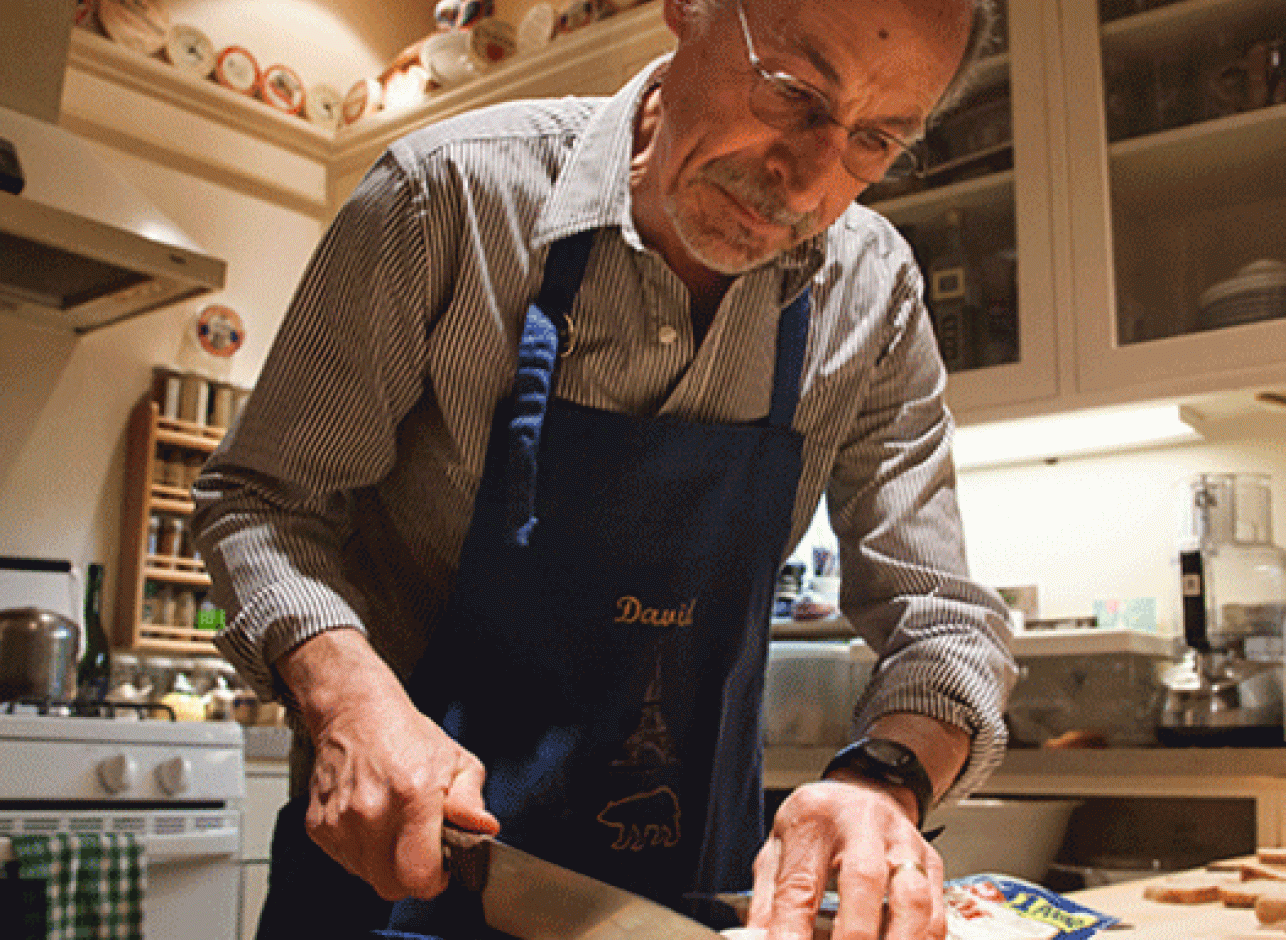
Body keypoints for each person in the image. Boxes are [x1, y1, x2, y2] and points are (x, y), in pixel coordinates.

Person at [191, 0, 1016, 936]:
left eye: (874, 139)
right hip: (395, 876)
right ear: (688, 12)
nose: (809, 180)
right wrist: (343, 693)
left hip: (681, 902)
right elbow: (260, 503)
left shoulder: (875, 291)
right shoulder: (447, 197)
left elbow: (944, 619)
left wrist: (887, 779)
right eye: (794, 93)